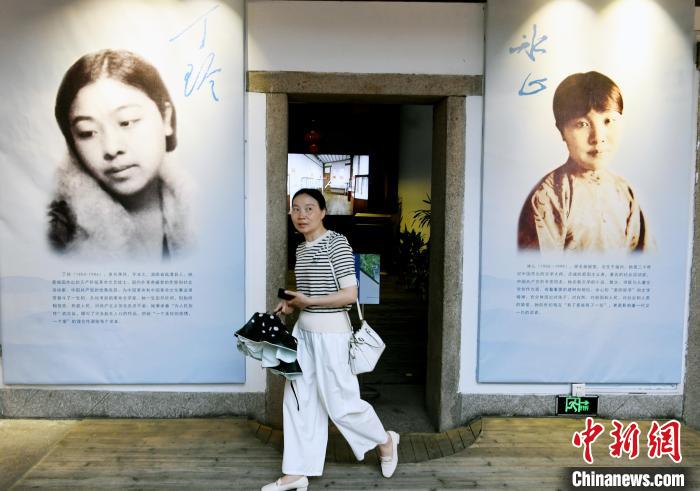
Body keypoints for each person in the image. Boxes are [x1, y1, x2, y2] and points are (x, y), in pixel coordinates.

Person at [263, 188, 399, 491]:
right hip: (303, 334)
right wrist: (291, 304)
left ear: (323, 212)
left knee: (341, 404)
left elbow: (349, 294)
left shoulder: (336, 243)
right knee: (298, 401)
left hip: (333, 334)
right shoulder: (301, 249)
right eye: (296, 208)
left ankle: (385, 440)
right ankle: (296, 471)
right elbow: (309, 294)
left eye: (309, 208)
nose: (301, 215)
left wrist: (308, 301)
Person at [49, 49, 191, 260]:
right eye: (88, 132)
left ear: (166, 118)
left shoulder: (213, 212)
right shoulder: (57, 236)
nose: (111, 148)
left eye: (126, 122)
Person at [517, 71, 652, 252]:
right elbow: (539, 265)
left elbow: (643, 259)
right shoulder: (549, 196)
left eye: (608, 121)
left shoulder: (625, 193)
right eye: (582, 124)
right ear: (561, 131)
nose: (598, 137)